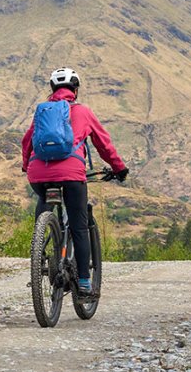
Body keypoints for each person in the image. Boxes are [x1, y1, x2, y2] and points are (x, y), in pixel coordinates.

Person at [22, 67, 128, 295]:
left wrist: (25, 166)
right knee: (79, 227)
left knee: (43, 210)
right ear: (75, 90)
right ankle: (83, 282)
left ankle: (38, 259)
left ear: (53, 90)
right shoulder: (83, 112)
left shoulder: (42, 112)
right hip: (72, 174)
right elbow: (104, 145)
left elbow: (27, 142)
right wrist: (119, 168)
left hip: (38, 173)